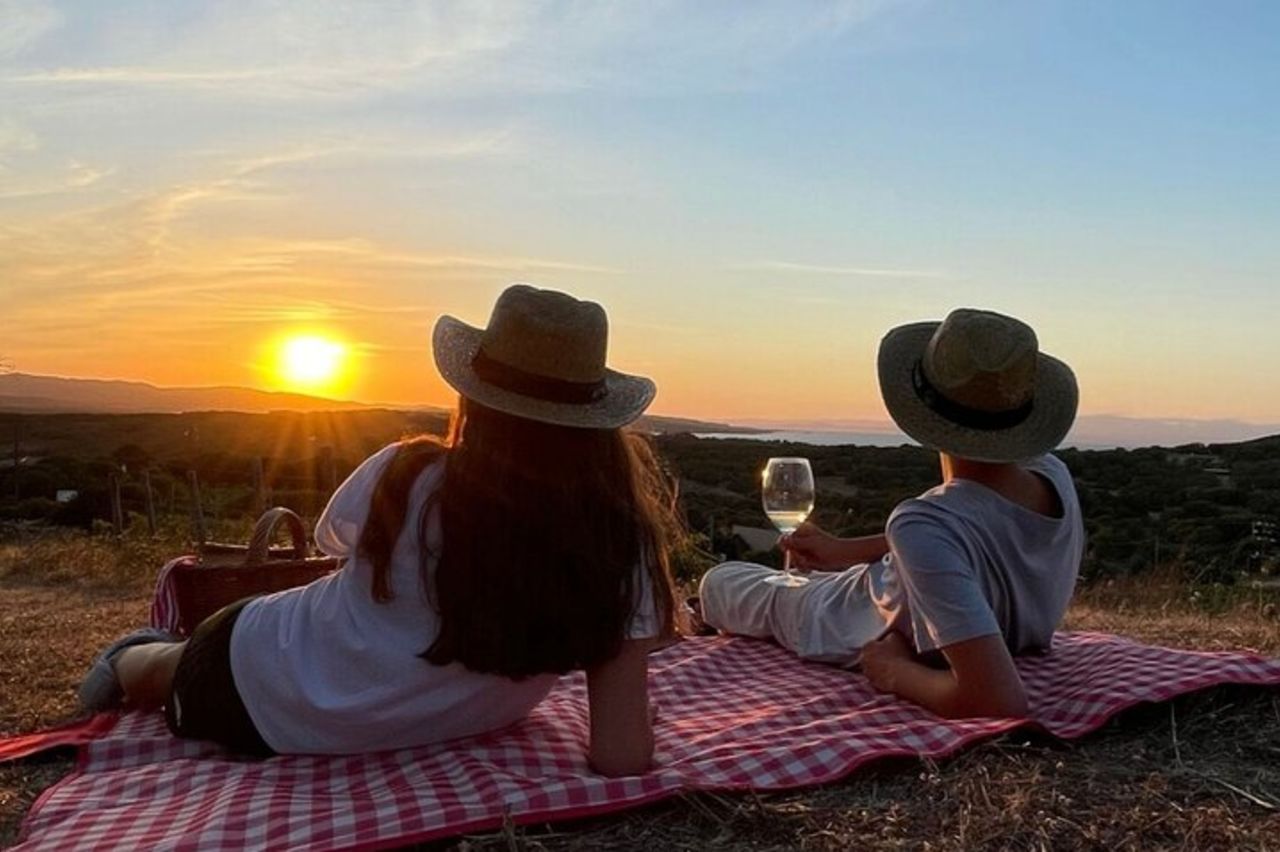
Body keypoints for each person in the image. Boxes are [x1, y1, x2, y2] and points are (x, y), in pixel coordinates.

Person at [79, 284, 679, 776]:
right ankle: (132, 652)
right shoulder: (616, 547)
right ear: (597, 429)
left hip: (266, 685)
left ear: (473, 402)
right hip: (256, 672)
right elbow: (622, 756)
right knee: (155, 668)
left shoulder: (406, 474)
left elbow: (332, 546)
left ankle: (150, 652)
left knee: (182, 668)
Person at [698, 308, 1083, 719]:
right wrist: (843, 550)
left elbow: (998, 700)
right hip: (876, 589)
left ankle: (697, 613)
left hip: (832, 619)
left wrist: (893, 671)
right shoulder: (1053, 475)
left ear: (922, 409)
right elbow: (959, 539)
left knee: (719, 580)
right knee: (806, 579)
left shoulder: (923, 521)